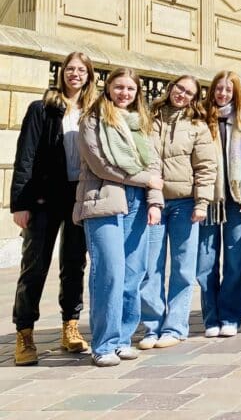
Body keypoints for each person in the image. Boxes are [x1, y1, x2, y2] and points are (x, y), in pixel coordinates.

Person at [11, 52, 95, 366]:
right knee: (34, 266)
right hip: (44, 198)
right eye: (70, 69)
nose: (75, 74)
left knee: (74, 264)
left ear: (89, 75)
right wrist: (20, 203)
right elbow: (25, 156)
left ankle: (70, 326)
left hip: (79, 195)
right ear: (62, 74)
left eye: (81, 70)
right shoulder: (42, 109)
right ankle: (24, 332)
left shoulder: (93, 110)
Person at [75, 68, 163, 366]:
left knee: (133, 274)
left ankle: (123, 338)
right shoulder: (92, 120)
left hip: (139, 204)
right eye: (119, 87)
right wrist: (145, 181)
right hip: (103, 201)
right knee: (109, 272)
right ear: (108, 87)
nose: (125, 93)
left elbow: (155, 167)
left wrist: (154, 200)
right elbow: (100, 165)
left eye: (130, 89)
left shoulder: (142, 125)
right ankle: (103, 344)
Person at [139, 75, 216, 349]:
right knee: (151, 268)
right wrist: (152, 199)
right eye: (179, 88)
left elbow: (206, 167)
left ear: (194, 98)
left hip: (185, 204)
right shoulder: (148, 118)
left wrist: (202, 202)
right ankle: (151, 327)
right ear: (170, 88)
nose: (181, 94)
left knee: (183, 268)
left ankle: (175, 327)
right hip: (154, 203)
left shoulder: (197, 126)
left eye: (189, 92)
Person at [196, 71, 241, 338]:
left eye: (228, 89)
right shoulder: (199, 120)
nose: (222, 93)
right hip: (209, 198)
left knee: (235, 260)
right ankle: (211, 318)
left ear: (236, 92)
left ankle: (231, 316)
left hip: (237, 199)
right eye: (218, 89)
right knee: (206, 262)